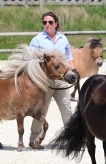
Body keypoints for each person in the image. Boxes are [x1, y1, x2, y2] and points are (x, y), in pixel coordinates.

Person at [28, 11, 78, 149]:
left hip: (62, 80)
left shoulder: (63, 39)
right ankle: (34, 139)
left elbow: (68, 57)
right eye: (44, 22)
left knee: (67, 109)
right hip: (45, 82)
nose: (47, 25)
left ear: (56, 23)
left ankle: (71, 139)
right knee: (41, 111)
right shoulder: (37, 40)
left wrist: (74, 70)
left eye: (50, 22)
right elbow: (30, 59)